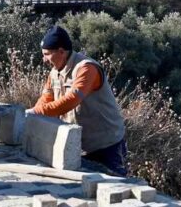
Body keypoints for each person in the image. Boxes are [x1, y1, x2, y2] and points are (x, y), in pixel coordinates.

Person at [31, 26, 128, 175]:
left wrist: (36, 112)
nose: (44, 59)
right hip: (79, 145)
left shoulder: (87, 68)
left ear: (62, 52)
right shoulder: (54, 72)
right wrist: (34, 114)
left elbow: (72, 100)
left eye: (47, 54)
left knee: (116, 187)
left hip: (106, 145)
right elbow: (46, 98)